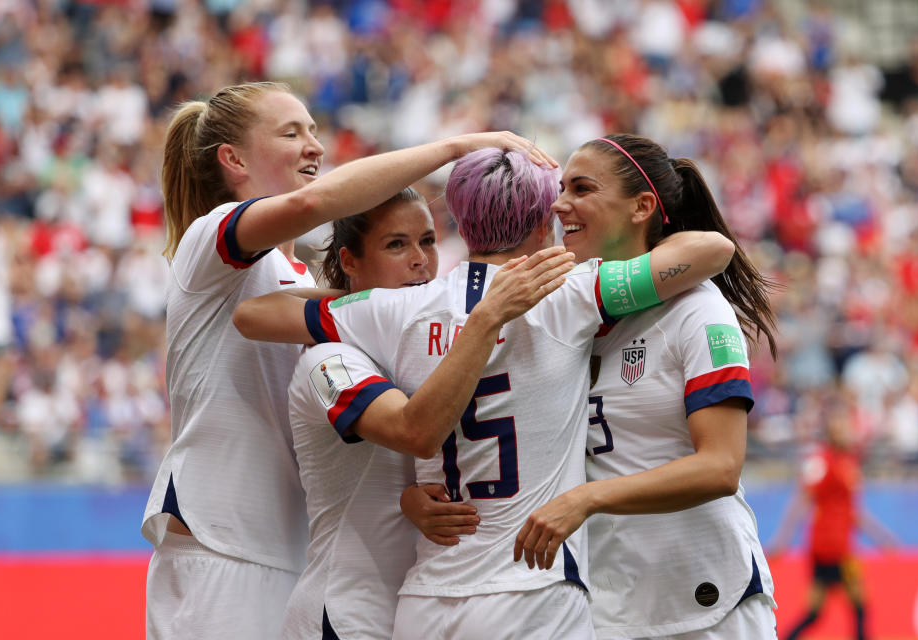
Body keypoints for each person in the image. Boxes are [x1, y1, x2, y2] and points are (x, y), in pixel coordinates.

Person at [233, 147, 733, 639]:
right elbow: (712, 249)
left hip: (426, 598)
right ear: (543, 226)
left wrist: (368, 300)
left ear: (460, 223)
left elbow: (253, 315)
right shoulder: (573, 291)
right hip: (531, 591)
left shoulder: (394, 311)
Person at [141, 79, 556, 639]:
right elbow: (314, 205)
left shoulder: (308, 291)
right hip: (223, 539)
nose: (314, 145)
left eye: (313, 130)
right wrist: (455, 149)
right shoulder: (208, 240)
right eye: (291, 133)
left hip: (291, 544)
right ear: (233, 159)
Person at [512, 133, 779, 639]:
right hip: (611, 604)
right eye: (561, 187)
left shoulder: (698, 310)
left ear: (641, 207)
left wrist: (587, 498)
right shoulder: (566, 312)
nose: (559, 203)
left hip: (710, 601)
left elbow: (721, 466)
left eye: (582, 188)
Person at [280, 187, 575, 639]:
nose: (420, 259)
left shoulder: (432, 338)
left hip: (422, 607)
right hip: (348, 612)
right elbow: (412, 430)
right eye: (396, 244)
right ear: (350, 261)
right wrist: (405, 501)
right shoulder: (327, 359)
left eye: (429, 240)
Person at [770, 397, 897, 640]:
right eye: (839, 423)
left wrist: (881, 536)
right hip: (833, 547)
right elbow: (801, 500)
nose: (844, 428)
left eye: (846, 423)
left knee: (815, 613)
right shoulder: (822, 462)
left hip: (833, 546)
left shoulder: (848, 461)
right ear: (830, 429)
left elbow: (852, 512)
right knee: (860, 607)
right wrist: (782, 538)